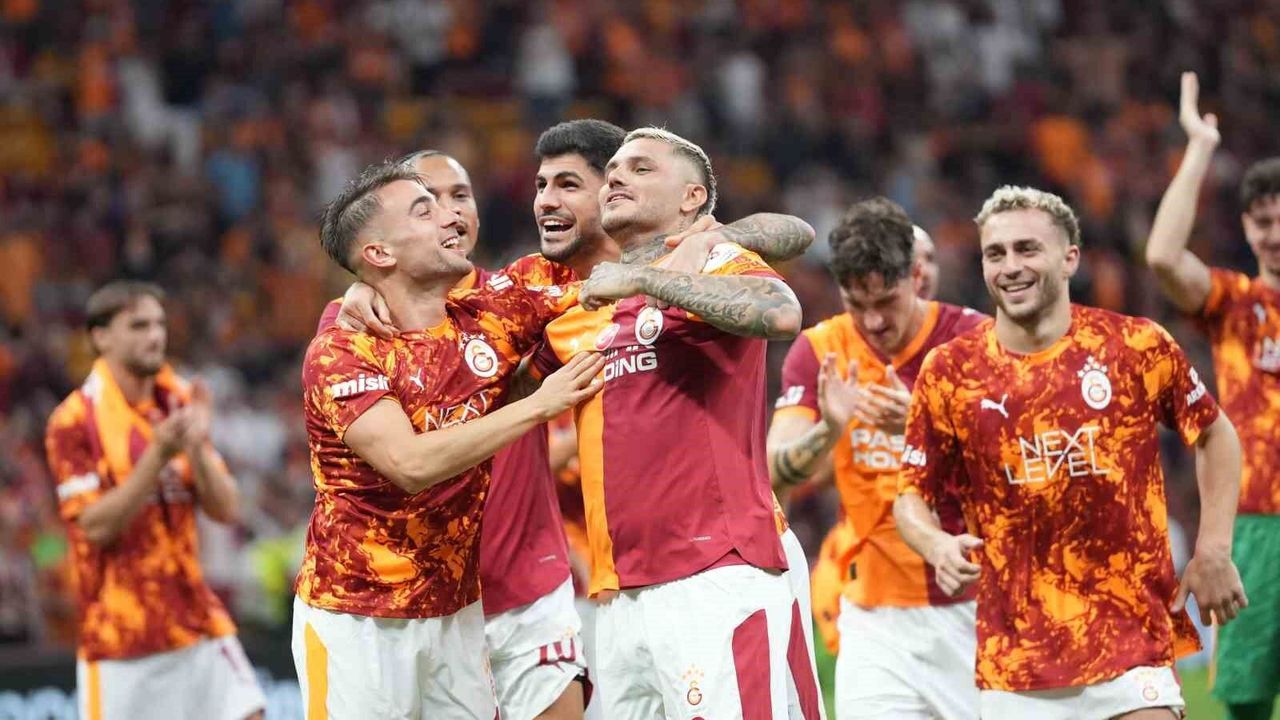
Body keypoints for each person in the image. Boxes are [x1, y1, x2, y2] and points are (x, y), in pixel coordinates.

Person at [894, 185, 1248, 720]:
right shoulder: (951, 371)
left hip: (1133, 641)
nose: (1010, 267)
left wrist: (1214, 547)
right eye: (995, 254)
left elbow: (1216, 435)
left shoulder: (1134, 346)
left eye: (1027, 249)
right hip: (1017, 662)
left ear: (1070, 258)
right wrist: (936, 544)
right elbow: (910, 495)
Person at [294, 159, 605, 718]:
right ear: (379, 253)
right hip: (357, 615)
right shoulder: (342, 349)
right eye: (425, 209)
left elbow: (610, 272)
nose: (451, 216)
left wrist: (701, 237)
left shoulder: (493, 314)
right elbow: (409, 464)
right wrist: (539, 405)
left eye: (455, 200)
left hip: (457, 613)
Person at [531, 126, 805, 717]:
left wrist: (648, 276)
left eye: (641, 168)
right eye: (614, 170)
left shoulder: (712, 260)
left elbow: (781, 312)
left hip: (713, 572)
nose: (618, 177)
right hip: (618, 592)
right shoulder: (583, 303)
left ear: (691, 198)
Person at [769, 198, 984, 719]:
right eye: (856, 302)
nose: (872, 320)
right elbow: (774, 469)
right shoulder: (822, 350)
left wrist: (923, 423)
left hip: (974, 604)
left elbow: (1014, 462)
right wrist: (829, 429)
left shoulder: (973, 340)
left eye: (886, 300)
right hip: (873, 614)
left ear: (916, 276)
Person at [44, 281, 265, 720]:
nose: (155, 336)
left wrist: (196, 445)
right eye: (138, 325)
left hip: (195, 619)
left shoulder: (178, 402)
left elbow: (227, 510)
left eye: (159, 324)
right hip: (122, 638)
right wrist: (158, 455)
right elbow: (94, 527)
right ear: (100, 337)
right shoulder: (73, 420)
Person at [1144, 71, 1280, 720]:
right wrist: (1199, 148)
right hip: (1254, 522)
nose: (1275, 234)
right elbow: (1163, 257)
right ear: (1247, 228)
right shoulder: (1237, 304)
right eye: (1263, 221)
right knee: (1246, 698)